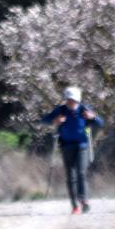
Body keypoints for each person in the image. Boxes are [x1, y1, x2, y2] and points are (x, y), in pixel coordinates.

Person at [41, 86, 103, 214]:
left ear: (78, 100)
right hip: (66, 146)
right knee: (70, 176)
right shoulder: (61, 110)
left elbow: (100, 123)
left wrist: (93, 117)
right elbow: (44, 120)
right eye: (69, 99)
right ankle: (75, 205)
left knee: (81, 173)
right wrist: (55, 121)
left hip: (82, 146)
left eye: (73, 100)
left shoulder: (83, 109)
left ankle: (84, 200)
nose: (71, 102)